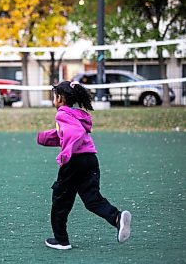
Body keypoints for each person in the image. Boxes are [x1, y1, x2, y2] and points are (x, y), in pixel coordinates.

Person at [37, 80, 132, 250]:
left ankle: (61, 240)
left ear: (60, 98)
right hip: (90, 160)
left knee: (60, 200)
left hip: (74, 161)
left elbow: (75, 133)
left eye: (54, 96)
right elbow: (65, 134)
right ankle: (117, 218)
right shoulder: (76, 114)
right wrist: (44, 137)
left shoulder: (62, 114)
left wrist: (65, 155)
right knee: (92, 199)